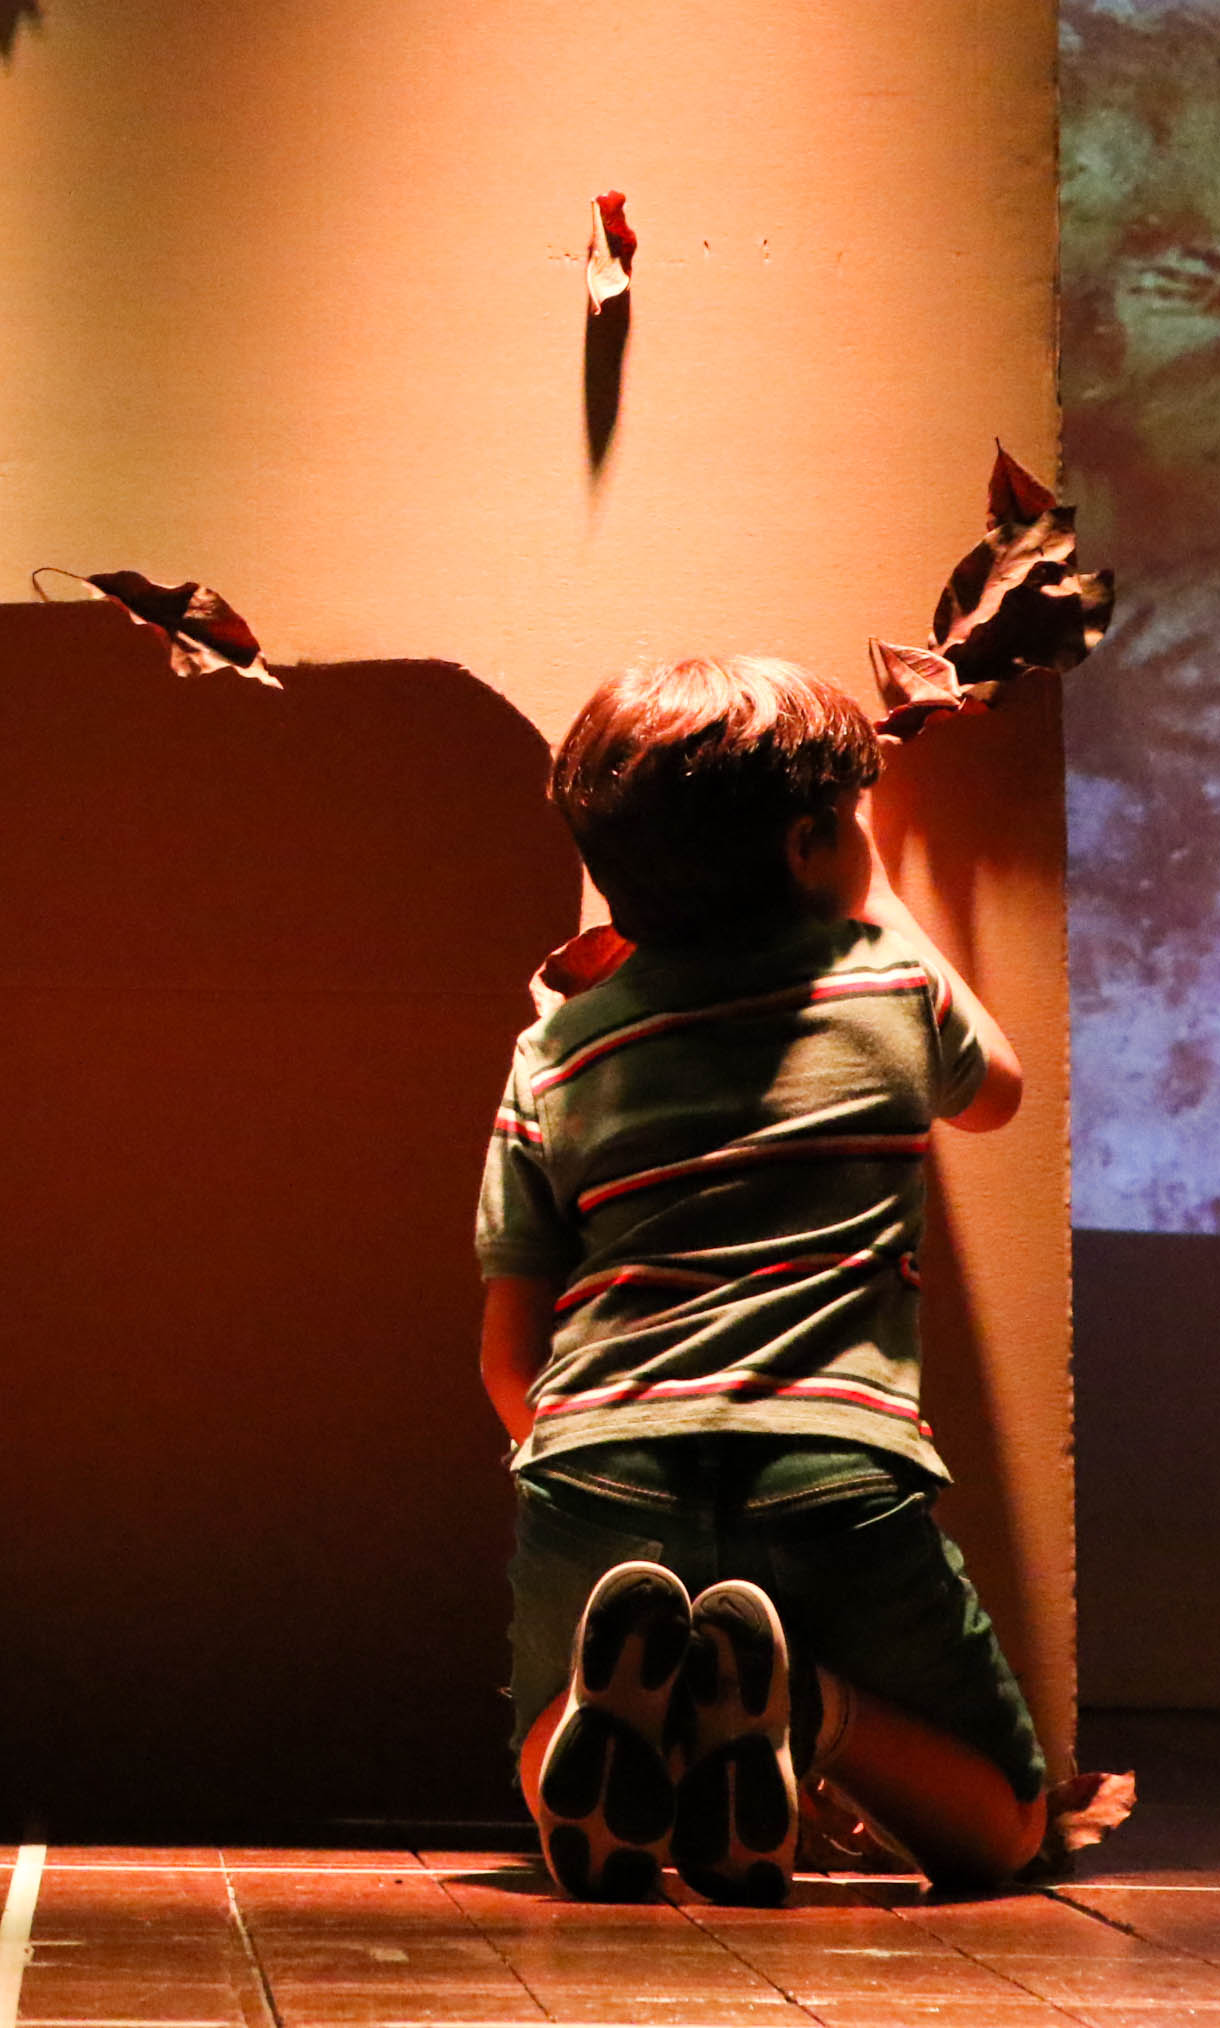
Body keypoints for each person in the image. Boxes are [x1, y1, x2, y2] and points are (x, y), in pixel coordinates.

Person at [477, 654, 1046, 1903]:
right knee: (1007, 1825)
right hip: (829, 1459)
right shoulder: (890, 988)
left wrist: (566, 1462)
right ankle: (806, 1710)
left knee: (541, 1742)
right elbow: (996, 1095)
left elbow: (507, 1354)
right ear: (809, 844)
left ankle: (605, 1716)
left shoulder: (554, 1051)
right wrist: (877, 895)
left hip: (602, 1452)